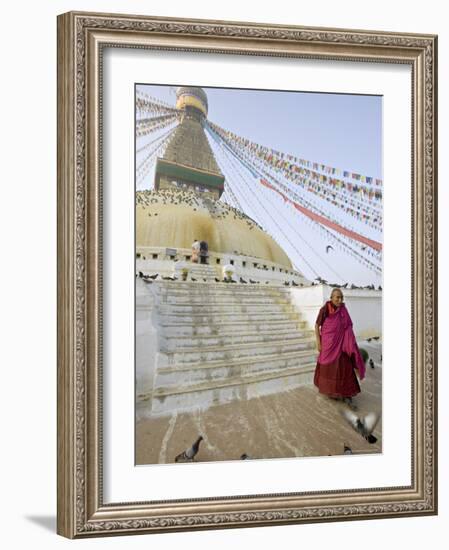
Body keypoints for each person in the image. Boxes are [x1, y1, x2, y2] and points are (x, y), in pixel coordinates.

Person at [314, 288, 366, 404]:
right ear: (331, 298)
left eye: (341, 297)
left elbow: (348, 325)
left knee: (345, 368)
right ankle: (332, 392)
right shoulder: (325, 309)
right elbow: (317, 326)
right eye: (337, 297)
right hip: (329, 344)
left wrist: (349, 338)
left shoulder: (343, 310)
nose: (339, 299)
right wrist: (319, 342)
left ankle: (346, 394)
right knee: (330, 369)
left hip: (342, 344)